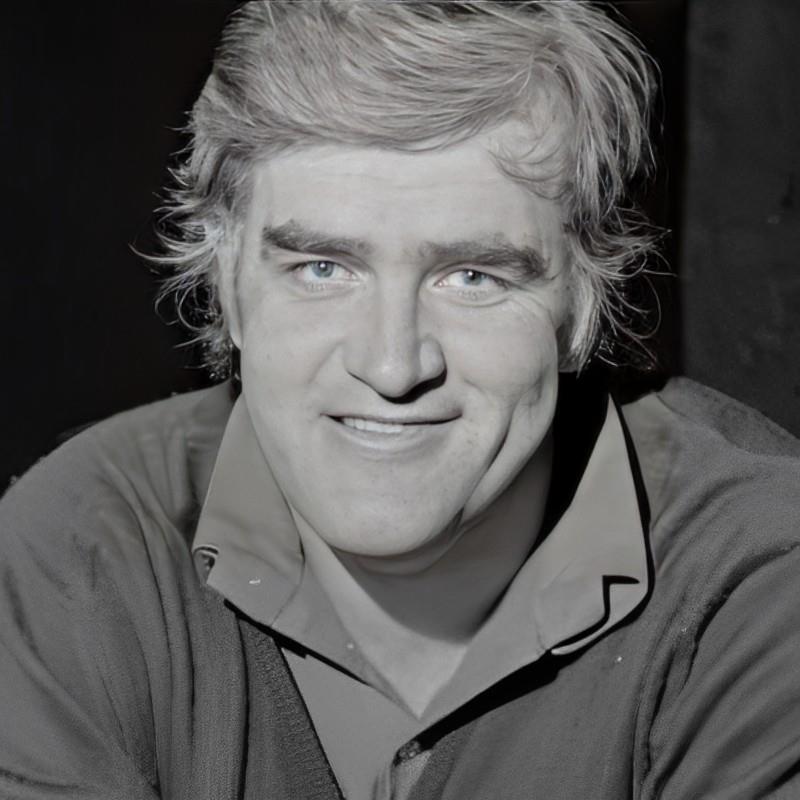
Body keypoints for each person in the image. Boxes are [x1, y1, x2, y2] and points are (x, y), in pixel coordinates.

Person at [1, 2, 799, 798]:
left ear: (581, 308)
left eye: (473, 277)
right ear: (227, 288)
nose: (391, 365)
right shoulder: (84, 550)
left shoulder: (758, 580)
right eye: (322, 269)